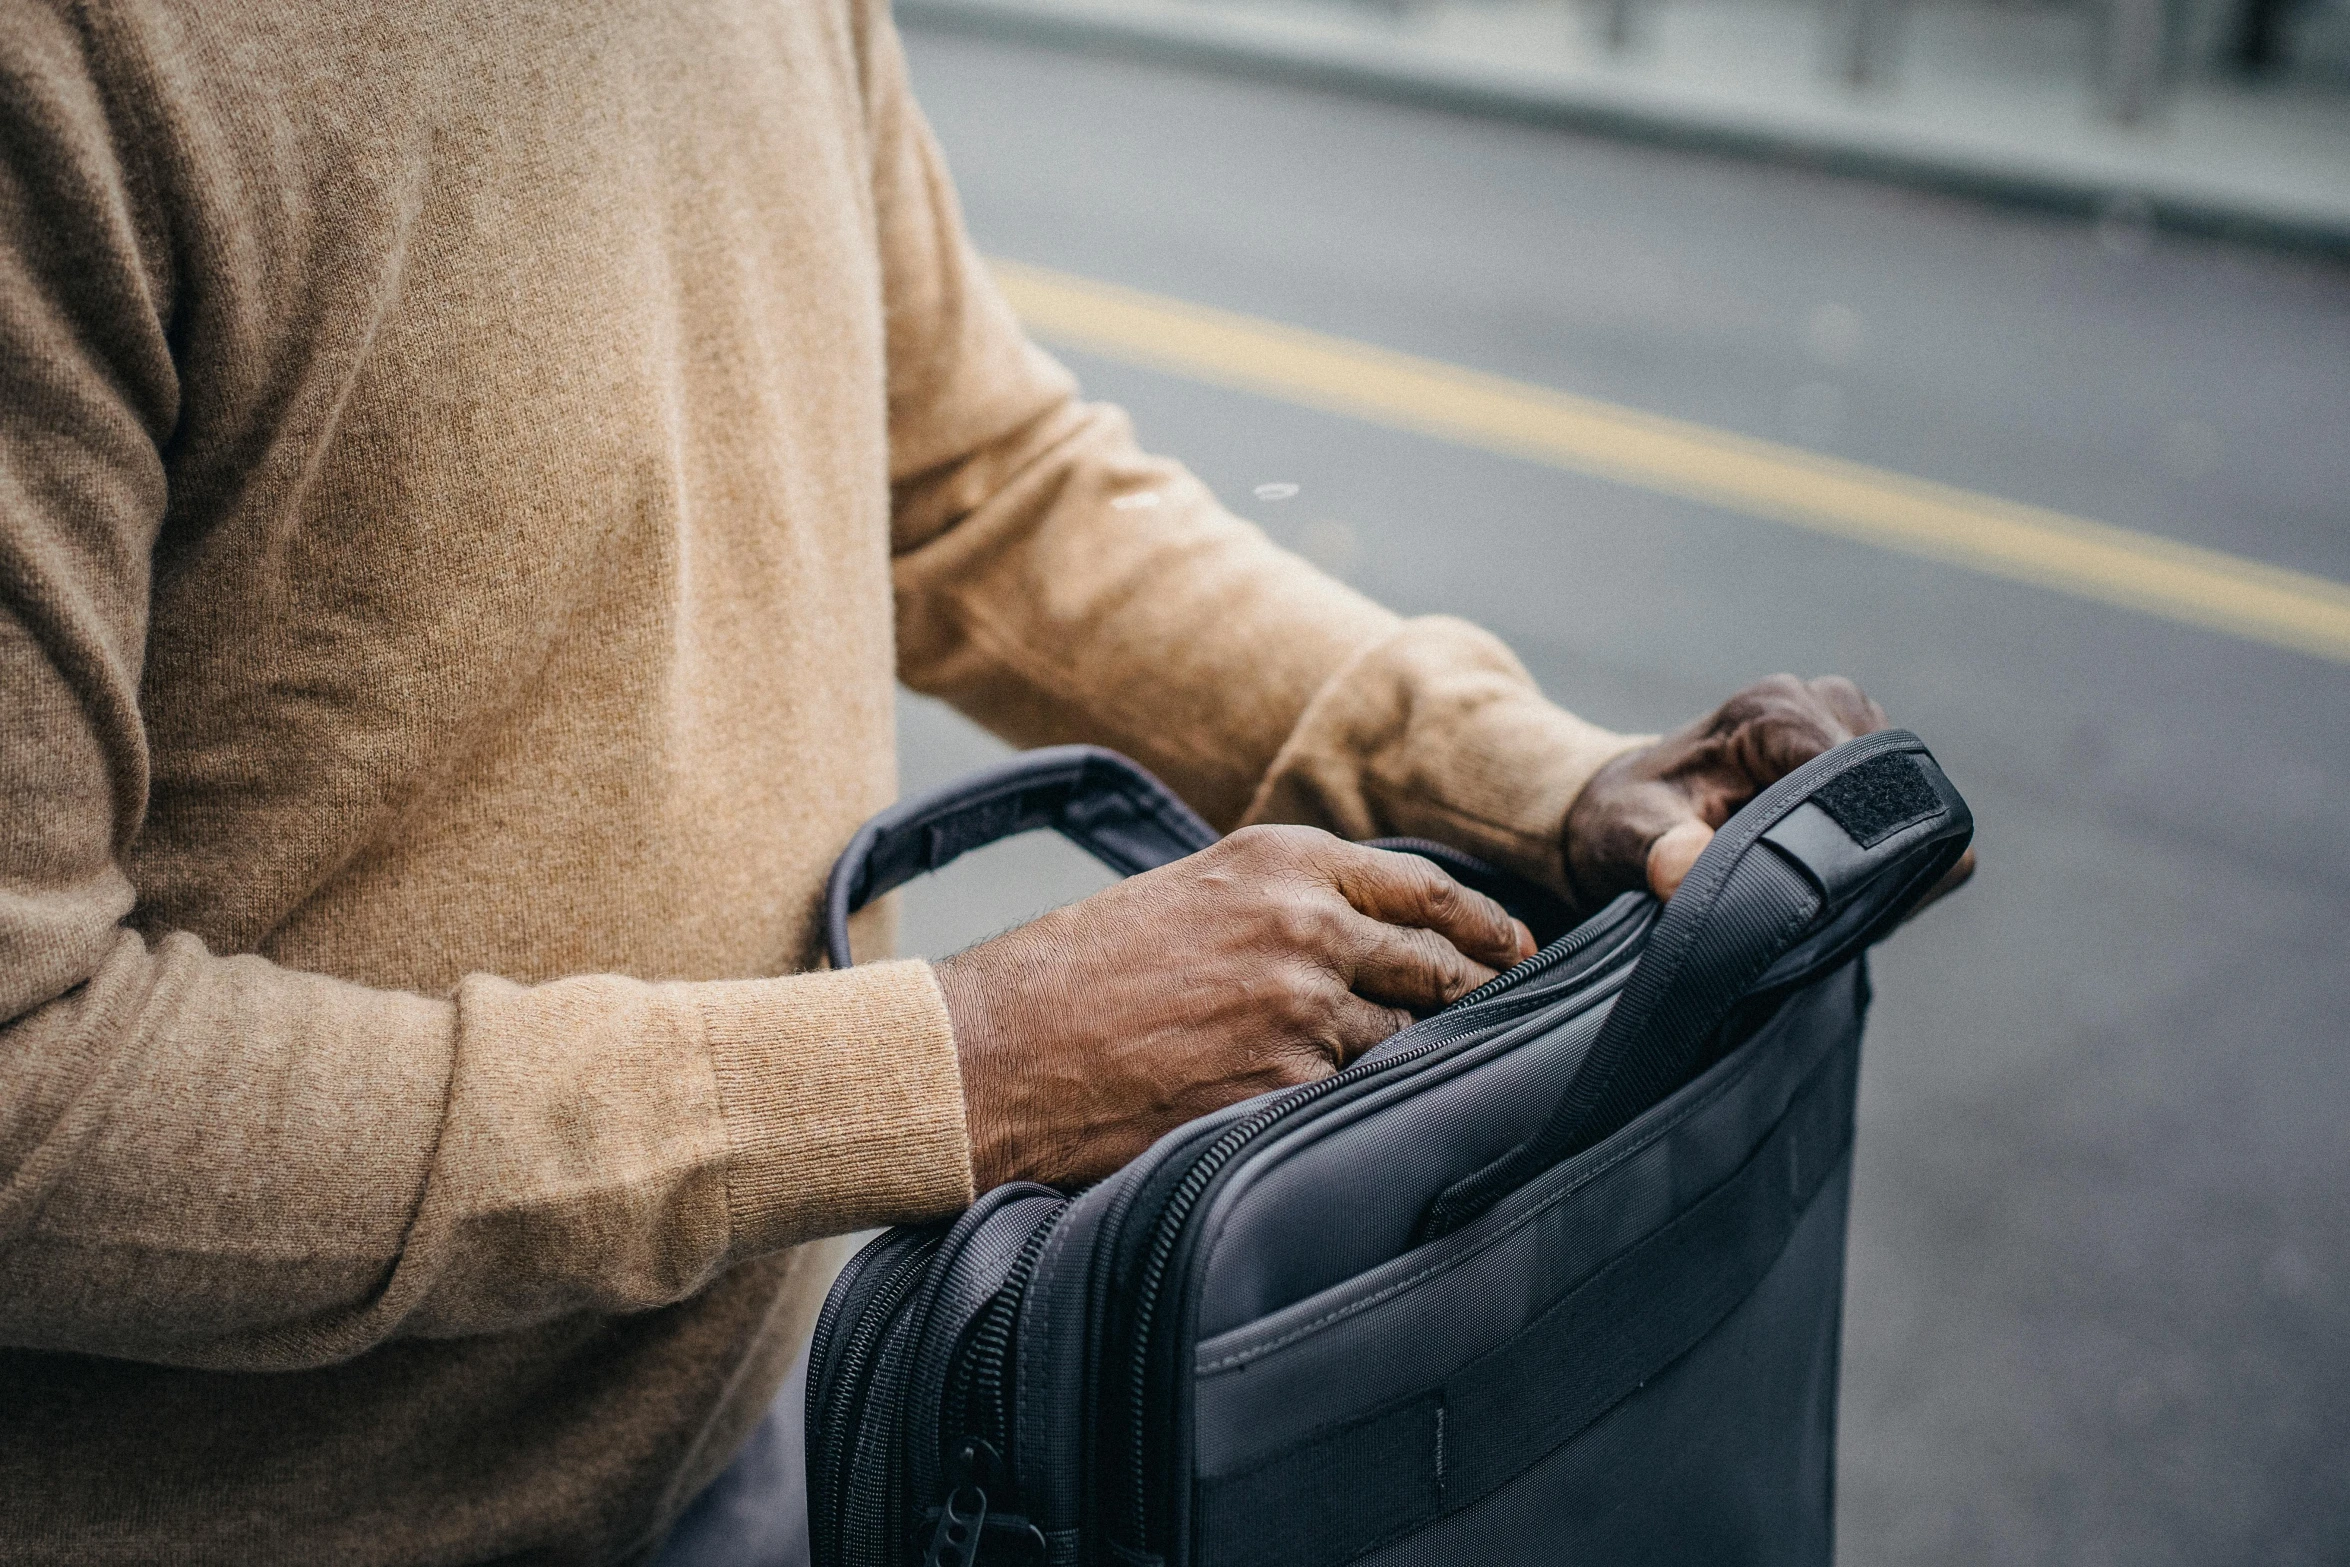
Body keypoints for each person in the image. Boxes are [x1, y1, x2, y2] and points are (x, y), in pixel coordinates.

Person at [0, 1, 1963, 1561]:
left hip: (735, 1429)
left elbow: (968, 481)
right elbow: (27, 1092)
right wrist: (950, 1068)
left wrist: (1535, 778)